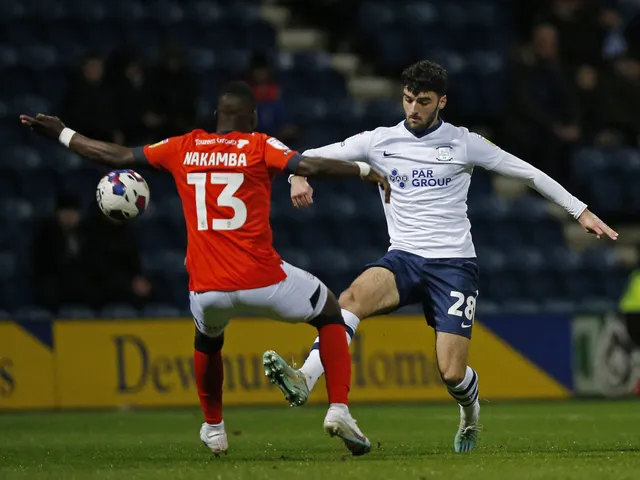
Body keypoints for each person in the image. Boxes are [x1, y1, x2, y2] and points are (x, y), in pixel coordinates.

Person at [261, 60, 619, 453]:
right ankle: (305, 378)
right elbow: (307, 156)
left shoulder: (464, 142)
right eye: (408, 99)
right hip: (403, 259)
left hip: (454, 266)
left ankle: (470, 412)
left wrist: (579, 211)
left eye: (423, 101)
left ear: (441, 102)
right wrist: (298, 175)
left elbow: (528, 173)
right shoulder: (379, 141)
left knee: (451, 373)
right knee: (349, 299)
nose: (413, 109)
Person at [19, 81, 391, 457]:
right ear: (252, 117)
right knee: (330, 311)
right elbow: (307, 165)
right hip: (263, 279)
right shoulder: (260, 144)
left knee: (207, 341)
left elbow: (117, 156)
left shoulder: (184, 146)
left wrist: (62, 133)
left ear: (217, 116)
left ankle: (214, 428)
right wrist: (362, 169)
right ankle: (338, 409)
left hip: (208, 287)